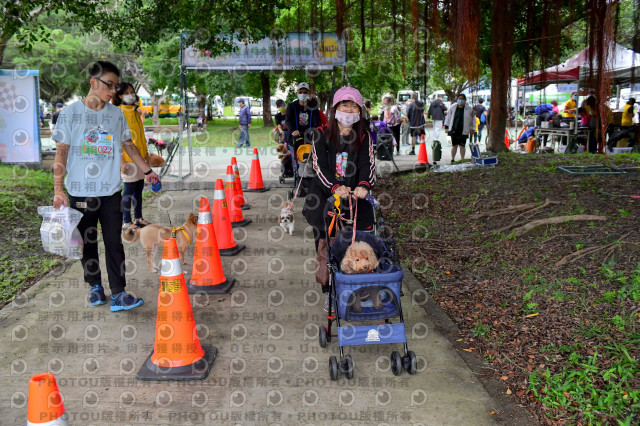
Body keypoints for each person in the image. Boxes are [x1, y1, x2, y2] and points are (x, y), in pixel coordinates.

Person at [51, 60, 160, 312]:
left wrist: (148, 171)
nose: (113, 91)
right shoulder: (69, 114)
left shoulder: (116, 114)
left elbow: (128, 146)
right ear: (93, 82)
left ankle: (119, 293)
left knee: (115, 243)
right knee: (88, 243)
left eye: (116, 86)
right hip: (79, 192)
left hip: (111, 191)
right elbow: (61, 154)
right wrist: (58, 190)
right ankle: (95, 288)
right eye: (109, 85)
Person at [302, 86, 375, 312]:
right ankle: (330, 291)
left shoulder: (363, 135)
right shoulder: (321, 134)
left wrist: (363, 185)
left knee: (360, 240)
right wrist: (334, 187)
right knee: (326, 242)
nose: (350, 109)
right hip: (325, 196)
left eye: (354, 106)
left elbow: (368, 165)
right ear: (335, 108)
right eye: (345, 105)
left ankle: (359, 286)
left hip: (354, 197)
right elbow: (319, 167)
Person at [112, 82, 151, 231]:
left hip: (140, 159)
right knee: (128, 191)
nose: (131, 94)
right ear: (120, 95)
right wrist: (122, 161)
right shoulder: (117, 112)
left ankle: (139, 218)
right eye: (127, 92)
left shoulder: (135, 110)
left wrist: (146, 155)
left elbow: (140, 135)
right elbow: (116, 140)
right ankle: (127, 221)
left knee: (139, 190)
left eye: (132, 91)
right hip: (128, 160)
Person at [285, 82, 322, 152]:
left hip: (309, 137)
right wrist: (292, 130)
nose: (303, 94)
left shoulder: (313, 106)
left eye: (305, 92)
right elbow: (288, 120)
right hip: (295, 137)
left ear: (308, 93)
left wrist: (314, 130)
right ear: (297, 93)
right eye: (300, 92)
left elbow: (317, 121)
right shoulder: (291, 106)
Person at [444, 93, 475, 162]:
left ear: (465, 100)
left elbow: (473, 119)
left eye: (462, 99)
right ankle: (452, 159)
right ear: (457, 99)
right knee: (454, 145)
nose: (461, 100)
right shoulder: (453, 107)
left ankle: (462, 159)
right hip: (454, 129)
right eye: (459, 99)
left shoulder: (469, 108)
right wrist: (446, 127)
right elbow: (448, 117)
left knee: (462, 146)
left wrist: (473, 128)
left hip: (464, 129)